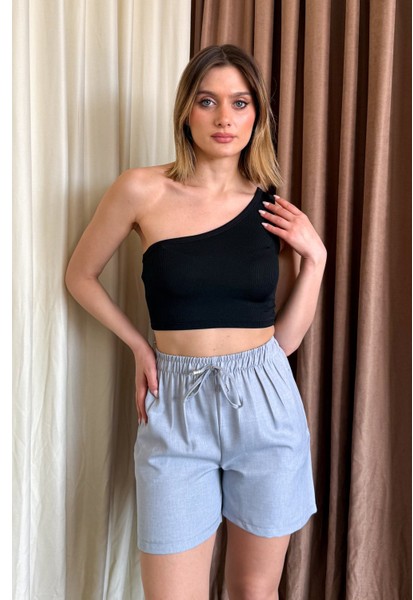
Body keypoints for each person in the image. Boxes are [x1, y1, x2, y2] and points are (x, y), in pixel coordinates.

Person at [65, 44, 326, 600]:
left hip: (266, 404)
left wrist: (316, 261)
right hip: (175, 406)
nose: (224, 117)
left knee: (253, 592)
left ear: (257, 116)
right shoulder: (141, 189)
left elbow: (284, 341)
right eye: (208, 101)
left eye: (240, 102)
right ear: (187, 110)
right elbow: (80, 275)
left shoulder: (270, 207)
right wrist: (139, 346)